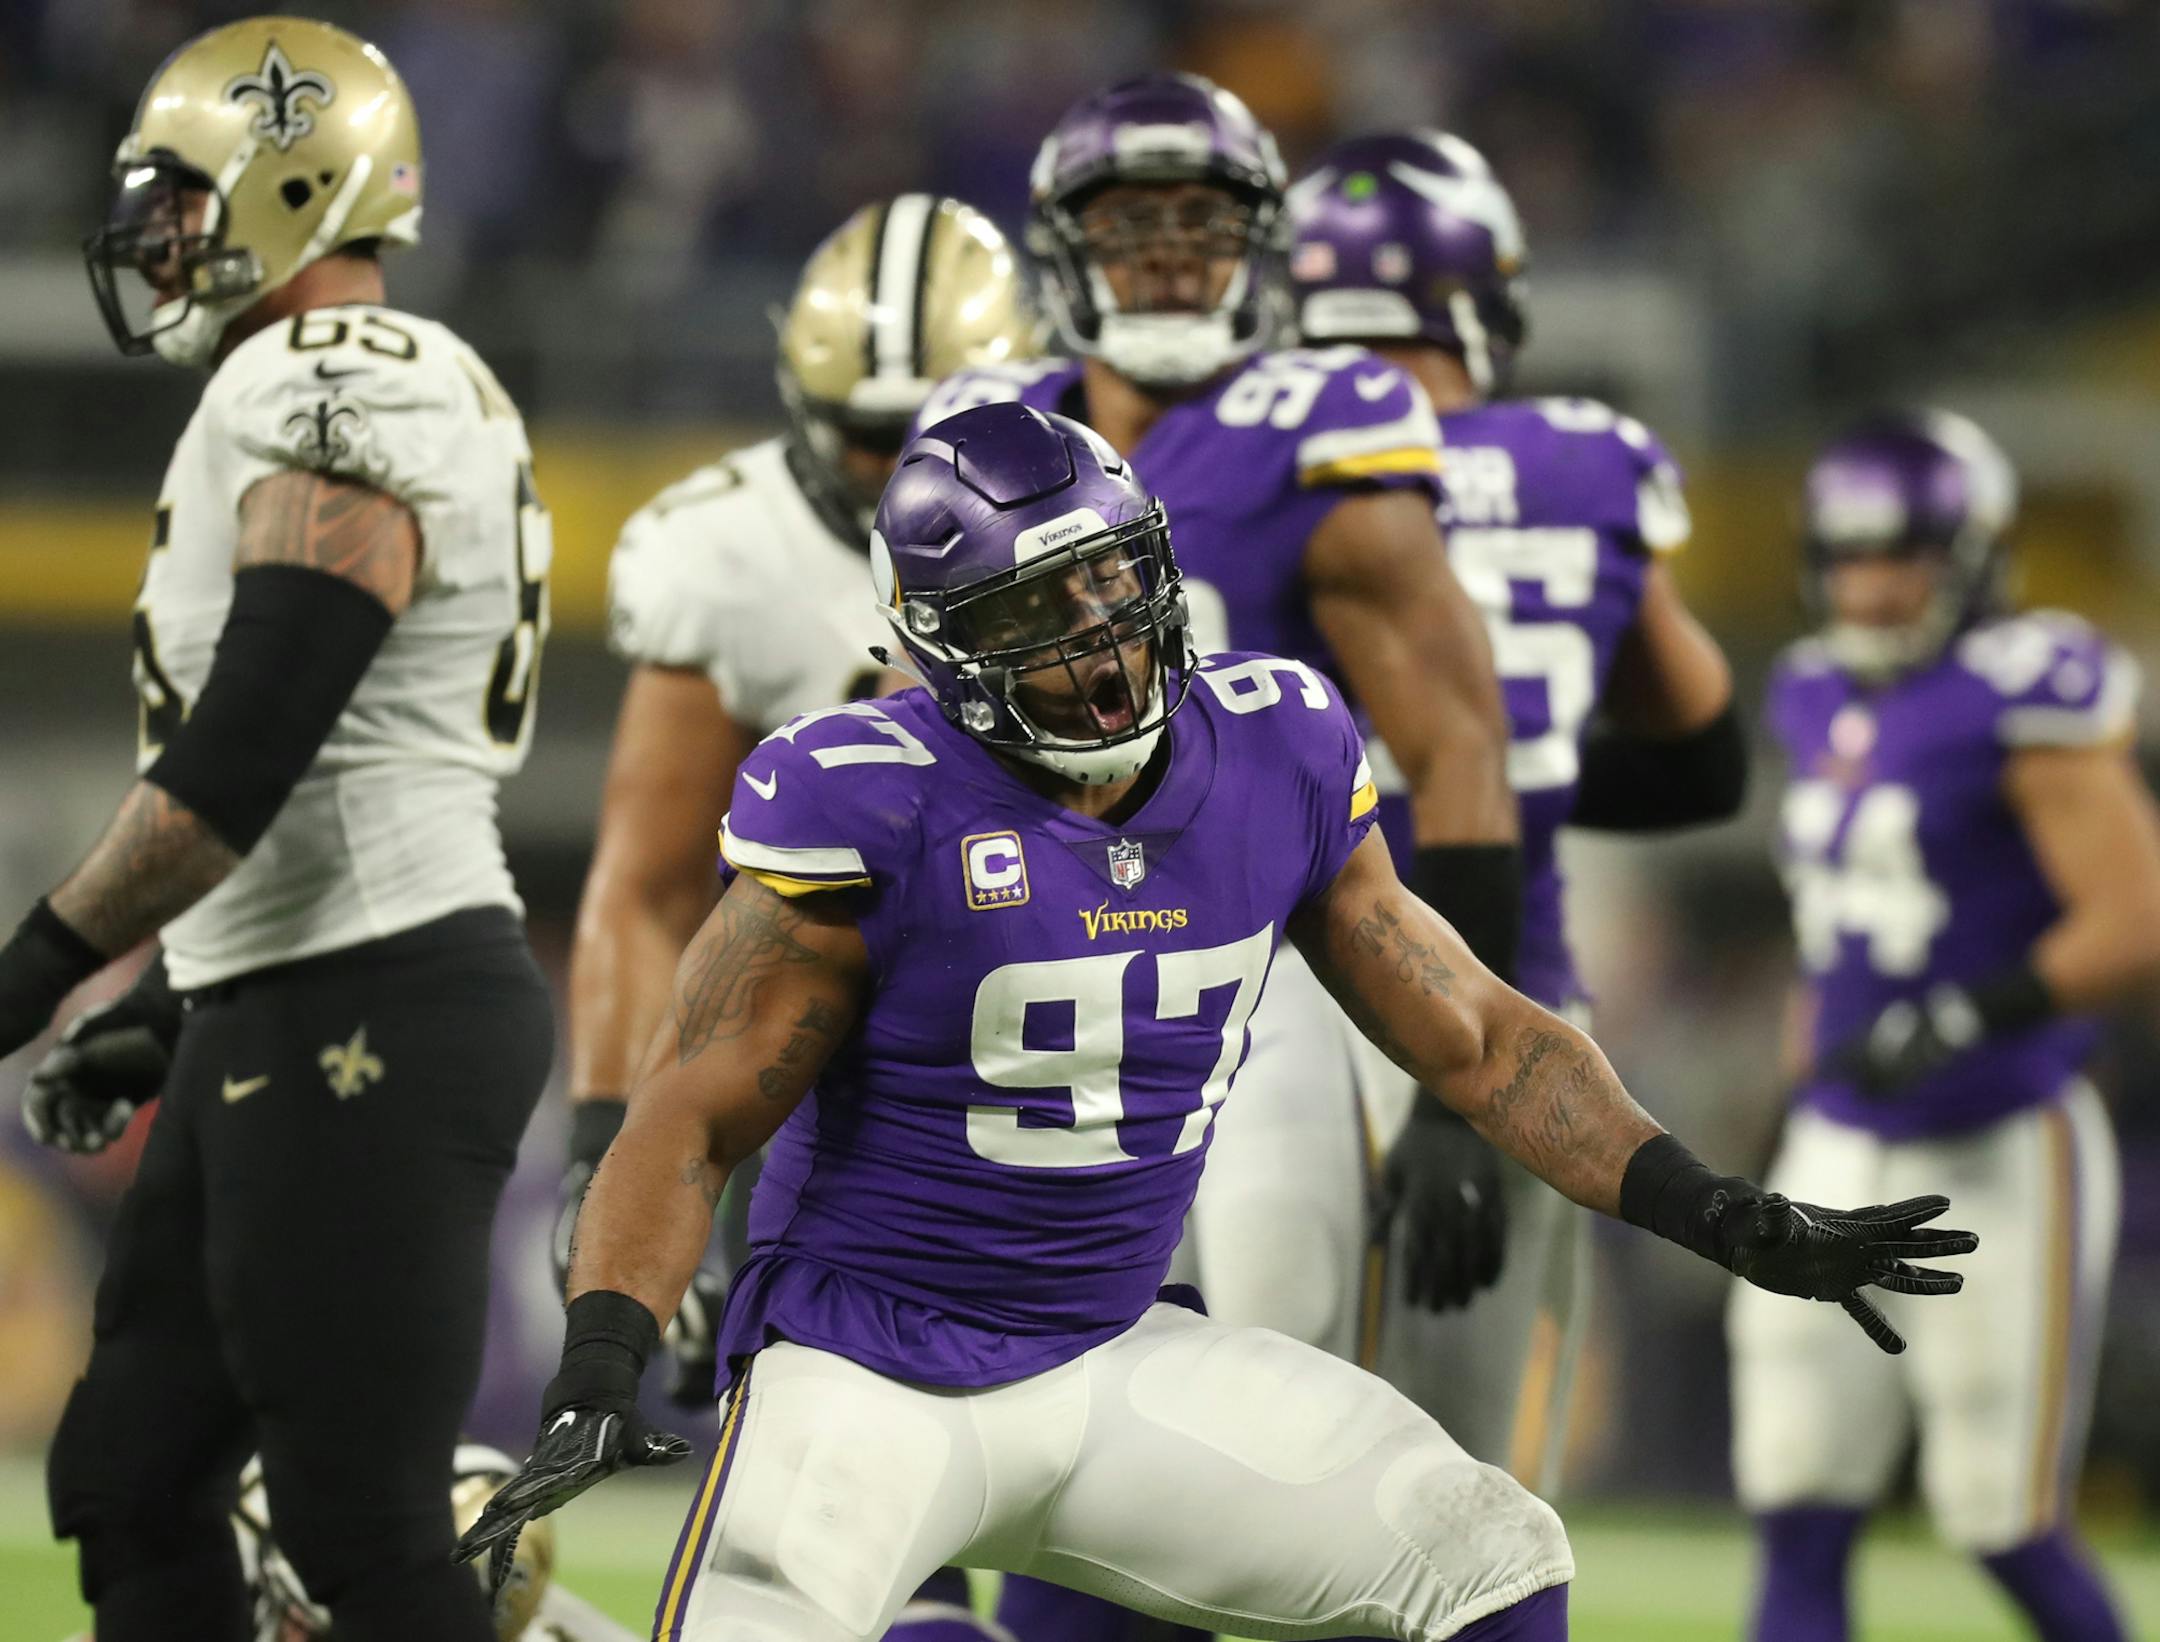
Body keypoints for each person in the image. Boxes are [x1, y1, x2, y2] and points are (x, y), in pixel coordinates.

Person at [456, 402, 1975, 1642]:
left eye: (1109, 580)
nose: (1100, 640)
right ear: (932, 640)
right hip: (867, 1373)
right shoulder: (867, 797)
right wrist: (602, 1357)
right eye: (1034, 609)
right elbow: (690, 1113)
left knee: (1493, 1555)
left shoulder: (1272, 744)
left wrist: (1714, 1209)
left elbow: (1477, 1037)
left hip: (1113, 1348)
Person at [1, 19, 554, 1640]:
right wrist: (178, 1003)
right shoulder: (314, 380)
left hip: (376, 989)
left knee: (357, 1524)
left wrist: (34, 969)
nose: (156, 235)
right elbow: (307, 781)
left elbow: (249, 751)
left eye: (180, 196)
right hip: (301, 986)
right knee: (132, 1473)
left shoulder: (338, 377)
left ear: (291, 188)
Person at [913, 71, 1518, 1419]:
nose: (1173, 251)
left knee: (1277, 1357)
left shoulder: (1325, 423)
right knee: (1032, 1382)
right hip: (1029, 960)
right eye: (1133, 222)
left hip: (1261, 964)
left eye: (1203, 218)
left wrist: (1454, 1093)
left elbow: (1462, 753)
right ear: (1066, 246)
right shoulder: (974, 434)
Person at [1286, 130, 1747, 1486]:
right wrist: (1515, 774)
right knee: (1465, 1480)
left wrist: (1383, 778)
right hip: (1519, 1006)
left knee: (1254, 1455)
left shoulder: (1262, 457)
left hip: (1284, 1007)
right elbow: (1705, 762)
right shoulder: (1586, 462)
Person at [562, 193, 1036, 1397]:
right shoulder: (732, 551)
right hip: (825, 1047)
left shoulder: (1091, 533)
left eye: (937, 426)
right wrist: (606, 1138)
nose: (897, 463)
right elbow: (651, 881)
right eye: (869, 433)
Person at [1732, 411, 2157, 1642]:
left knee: (1998, 1513)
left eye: (1903, 557)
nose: (1873, 587)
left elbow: (2136, 914)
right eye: (1851, 556)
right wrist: (1800, 1066)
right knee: (1796, 1488)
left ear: (1968, 560)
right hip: (1837, 1135)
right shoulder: (1810, 688)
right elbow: (1843, 926)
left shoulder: (2024, 689)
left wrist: (1972, 1012)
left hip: (2000, 1135)